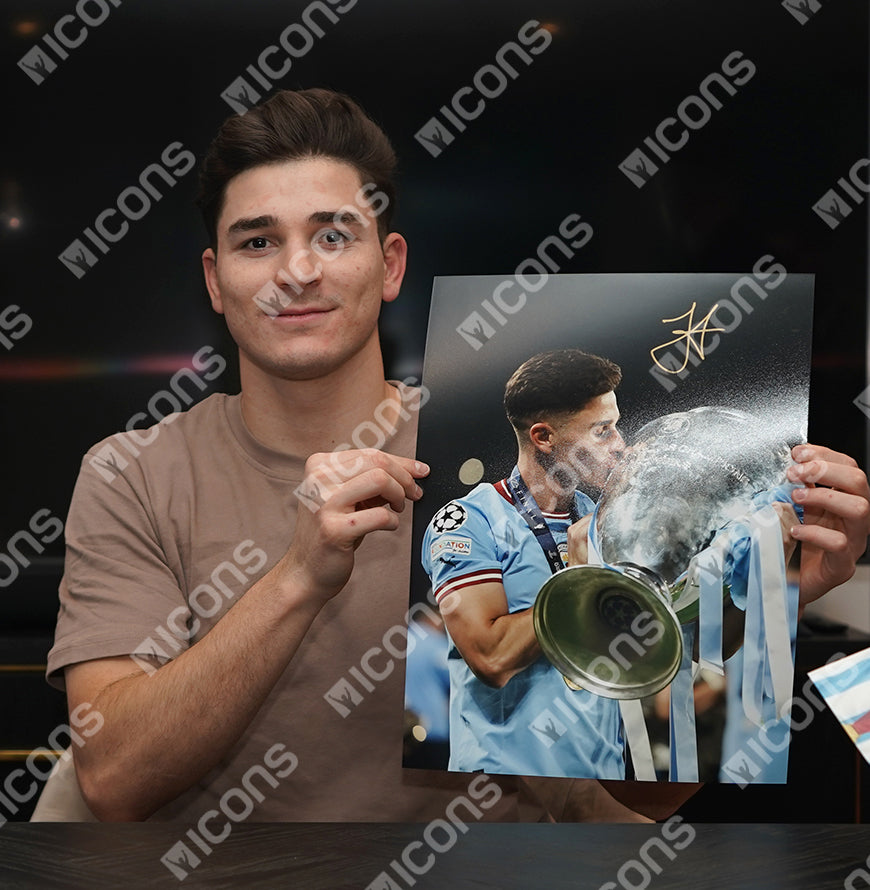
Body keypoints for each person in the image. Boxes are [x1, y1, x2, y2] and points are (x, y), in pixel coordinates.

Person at [37, 88, 870, 823]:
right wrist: (297, 577)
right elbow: (112, 783)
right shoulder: (132, 473)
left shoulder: (570, 490)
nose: (297, 270)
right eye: (258, 243)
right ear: (215, 282)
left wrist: (768, 607)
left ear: (388, 263)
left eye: (333, 235)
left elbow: (637, 799)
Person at [422, 348, 870, 779]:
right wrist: (584, 579)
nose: (620, 445)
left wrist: (775, 575)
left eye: (616, 428)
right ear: (543, 437)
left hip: (603, 783)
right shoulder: (470, 520)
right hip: (501, 789)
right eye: (602, 431)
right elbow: (490, 656)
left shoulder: (610, 517)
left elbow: (701, 645)